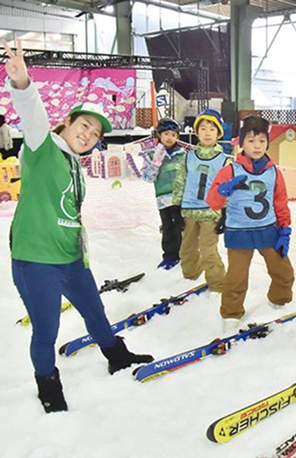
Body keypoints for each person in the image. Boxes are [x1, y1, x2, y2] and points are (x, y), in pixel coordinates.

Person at [3, 39, 153, 413]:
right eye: (84, 125)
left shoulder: (75, 163)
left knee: (95, 312)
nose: (89, 135)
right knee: (47, 329)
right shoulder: (42, 147)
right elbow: (32, 111)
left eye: (96, 133)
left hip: (71, 258)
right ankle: (48, 385)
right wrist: (22, 82)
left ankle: (116, 355)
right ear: (68, 122)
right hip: (36, 259)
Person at [206, 115, 294, 331]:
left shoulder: (273, 172)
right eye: (252, 141)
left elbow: (280, 202)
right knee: (236, 278)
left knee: (284, 272)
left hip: (268, 230)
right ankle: (231, 313)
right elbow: (212, 201)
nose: (257, 146)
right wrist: (223, 189)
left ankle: (278, 302)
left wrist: (285, 229)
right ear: (242, 142)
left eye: (262, 141)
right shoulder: (231, 169)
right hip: (239, 232)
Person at [172, 109, 228, 292]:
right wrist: (176, 206)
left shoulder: (223, 160)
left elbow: (227, 189)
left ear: (218, 133)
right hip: (188, 210)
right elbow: (180, 181)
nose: (207, 133)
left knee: (208, 251)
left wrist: (225, 213)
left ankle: (218, 284)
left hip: (210, 213)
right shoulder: (188, 157)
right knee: (186, 250)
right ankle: (190, 277)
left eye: (212, 129)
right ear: (197, 132)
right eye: (203, 128)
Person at [140, 118, 186, 270]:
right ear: (159, 135)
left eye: (173, 134)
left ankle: (186, 255)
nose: (170, 137)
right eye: (166, 133)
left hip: (181, 199)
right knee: (168, 228)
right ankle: (170, 256)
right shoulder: (152, 154)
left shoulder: (183, 154)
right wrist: (155, 163)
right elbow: (147, 178)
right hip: (164, 200)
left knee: (184, 227)